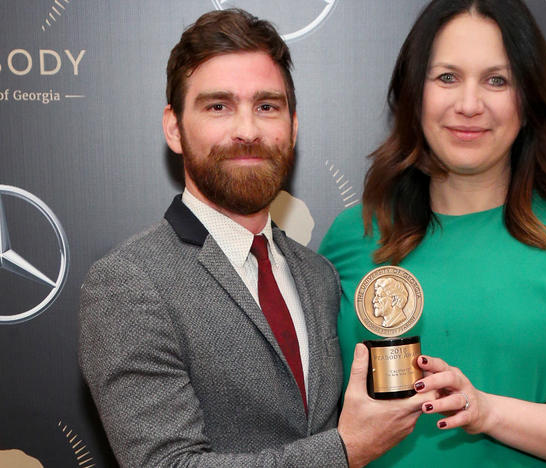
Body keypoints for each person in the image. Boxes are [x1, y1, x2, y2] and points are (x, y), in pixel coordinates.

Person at [79, 9, 425, 467]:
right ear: (174, 127)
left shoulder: (318, 275)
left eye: (267, 106)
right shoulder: (128, 284)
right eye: (218, 106)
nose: (247, 130)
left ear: (293, 127)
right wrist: (345, 451)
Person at [319, 0, 546, 466]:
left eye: (497, 80)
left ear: (528, 98)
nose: (469, 105)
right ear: (415, 94)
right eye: (447, 77)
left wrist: (486, 410)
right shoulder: (355, 234)